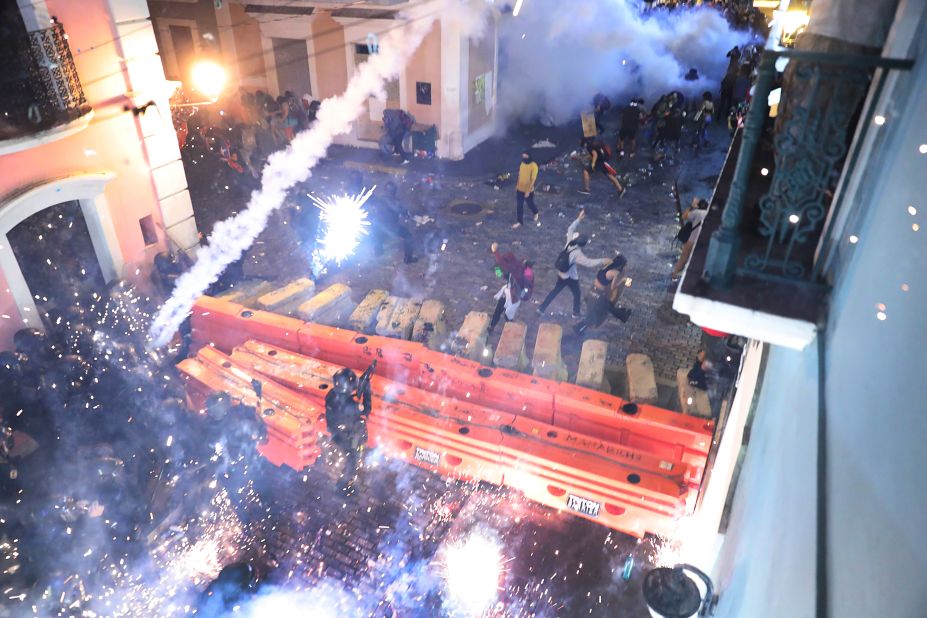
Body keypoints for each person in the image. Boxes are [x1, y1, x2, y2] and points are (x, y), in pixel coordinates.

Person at [537, 210, 611, 318]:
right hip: (570, 277)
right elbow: (589, 263)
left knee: (555, 291)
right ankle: (576, 313)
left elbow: (570, 229)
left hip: (561, 274)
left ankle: (541, 309)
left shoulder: (569, 242)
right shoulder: (577, 253)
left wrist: (579, 219)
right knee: (577, 293)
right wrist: (602, 260)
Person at [324, 363, 374, 493]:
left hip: (334, 430)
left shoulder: (331, 394)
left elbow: (345, 398)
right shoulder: (352, 406)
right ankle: (342, 487)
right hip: (344, 436)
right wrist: (367, 390)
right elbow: (366, 411)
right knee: (352, 459)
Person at [574, 252, 632, 335]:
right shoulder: (615, 273)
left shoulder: (608, 265)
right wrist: (623, 280)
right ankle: (623, 316)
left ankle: (579, 328)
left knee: (597, 313)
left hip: (593, 290)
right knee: (607, 308)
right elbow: (613, 287)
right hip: (598, 294)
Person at [488, 242, 534, 333]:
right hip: (508, 293)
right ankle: (492, 326)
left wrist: (495, 252)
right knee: (499, 310)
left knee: (508, 315)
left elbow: (502, 264)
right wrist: (497, 268)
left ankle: (512, 332)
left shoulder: (521, 271)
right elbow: (501, 272)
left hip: (514, 296)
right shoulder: (516, 267)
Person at [372, 182, 417, 264]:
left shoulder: (379, 199)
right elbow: (402, 213)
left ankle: (378, 250)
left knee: (375, 231)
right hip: (392, 227)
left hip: (379, 227)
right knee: (409, 237)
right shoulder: (396, 202)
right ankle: (408, 258)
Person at [672, 199, 709, 279]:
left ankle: (674, 276)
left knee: (682, 260)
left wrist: (691, 206)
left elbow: (684, 216)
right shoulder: (709, 215)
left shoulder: (697, 212)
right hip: (703, 244)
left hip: (691, 242)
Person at [514, 150, 540, 229]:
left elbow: (533, 180)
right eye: (523, 156)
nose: (524, 158)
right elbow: (520, 174)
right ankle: (519, 221)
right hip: (520, 188)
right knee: (519, 205)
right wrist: (517, 184)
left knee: (530, 204)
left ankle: (535, 212)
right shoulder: (522, 163)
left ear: (529, 156)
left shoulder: (534, 166)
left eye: (525, 156)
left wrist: (528, 191)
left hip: (528, 190)